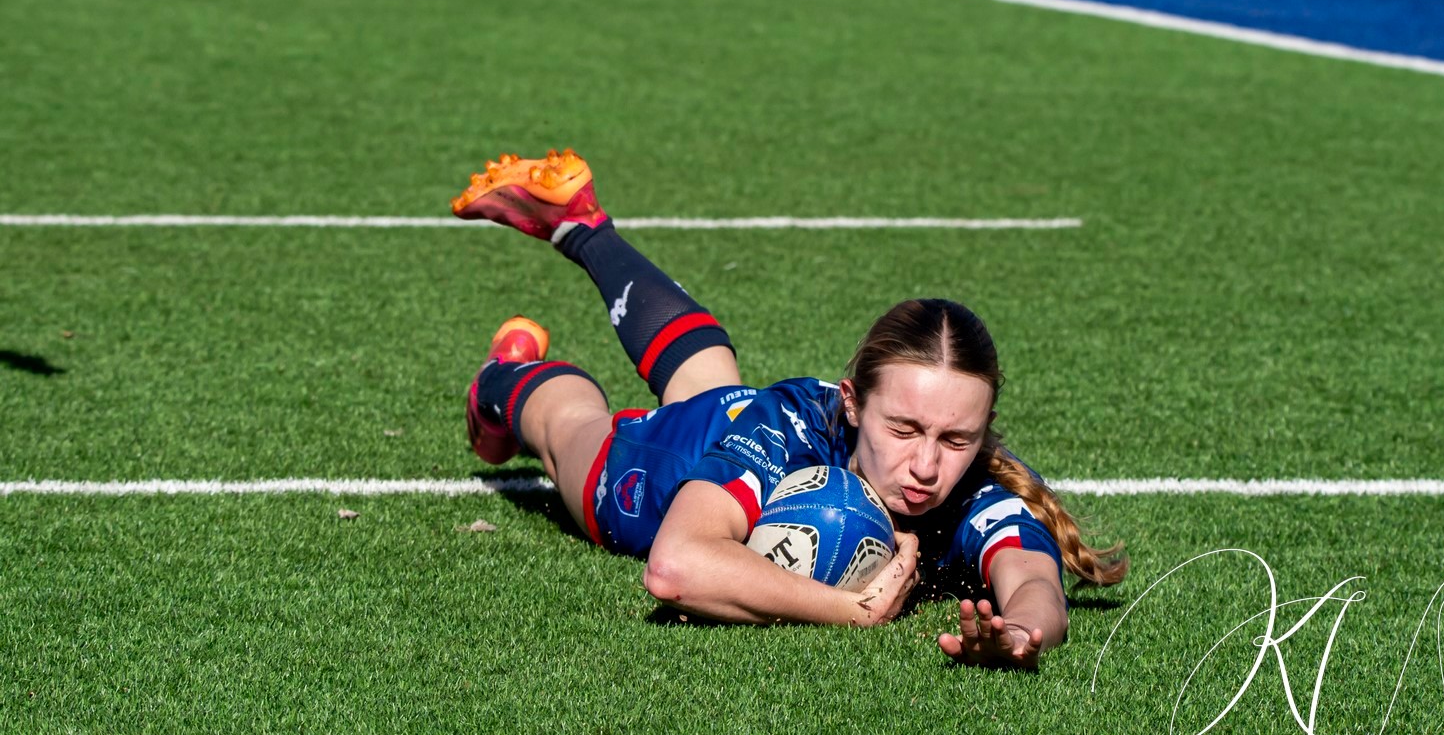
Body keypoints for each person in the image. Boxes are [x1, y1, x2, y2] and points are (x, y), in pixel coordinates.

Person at [449, 148, 1128, 668]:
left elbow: (1034, 579)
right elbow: (675, 566)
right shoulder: (789, 433)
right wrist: (849, 610)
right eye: (904, 428)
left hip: (734, 416)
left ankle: (582, 225)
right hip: (657, 465)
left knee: (715, 385)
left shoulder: (977, 478)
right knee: (568, 424)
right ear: (853, 404)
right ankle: (507, 373)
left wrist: (1023, 630)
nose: (927, 465)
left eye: (956, 438)